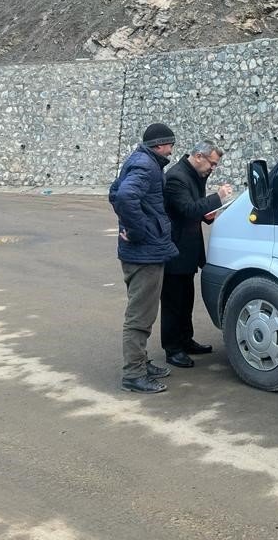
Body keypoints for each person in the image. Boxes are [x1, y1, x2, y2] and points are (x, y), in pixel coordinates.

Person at [108, 122, 179, 393]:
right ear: (159, 145)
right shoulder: (147, 166)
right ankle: (134, 374)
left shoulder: (140, 160)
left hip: (142, 250)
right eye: (170, 144)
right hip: (144, 253)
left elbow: (114, 192)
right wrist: (138, 231)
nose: (172, 149)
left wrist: (132, 228)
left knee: (143, 313)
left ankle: (140, 363)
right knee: (140, 316)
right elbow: (124, 196)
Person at [161, 141, 233, 368]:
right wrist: (217, 197)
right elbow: (186, 209)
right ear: (199, 156)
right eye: (212, 163)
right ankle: (172, 348)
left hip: (188, 248)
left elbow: (195, 208)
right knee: (173, 302)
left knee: (187, 299)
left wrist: (207, 214)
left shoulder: (195, 175)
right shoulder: (176, 177)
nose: (213, 168)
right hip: (175, 249)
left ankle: (186, 339)